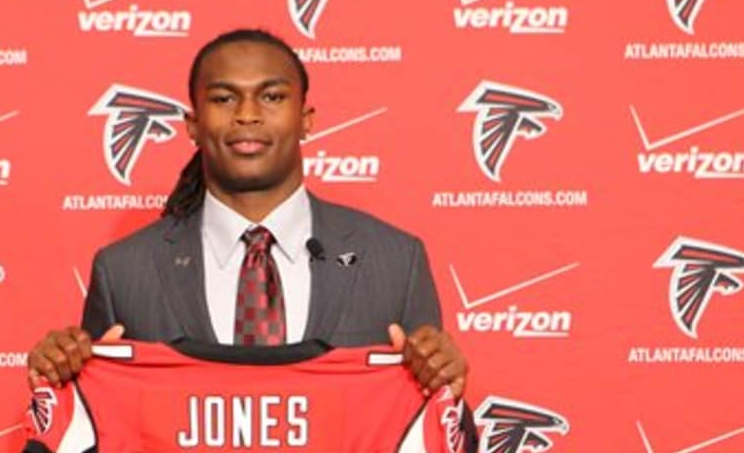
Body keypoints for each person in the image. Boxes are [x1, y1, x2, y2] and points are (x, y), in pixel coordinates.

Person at [26, 28, 467, 396]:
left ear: (306, 118)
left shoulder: (393, 260)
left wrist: (447, 385)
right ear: (193, 124)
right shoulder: (125, 271)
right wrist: (58, 381)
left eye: (272, 97)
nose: (248, 115)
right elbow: (93, 446)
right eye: (223, 99)